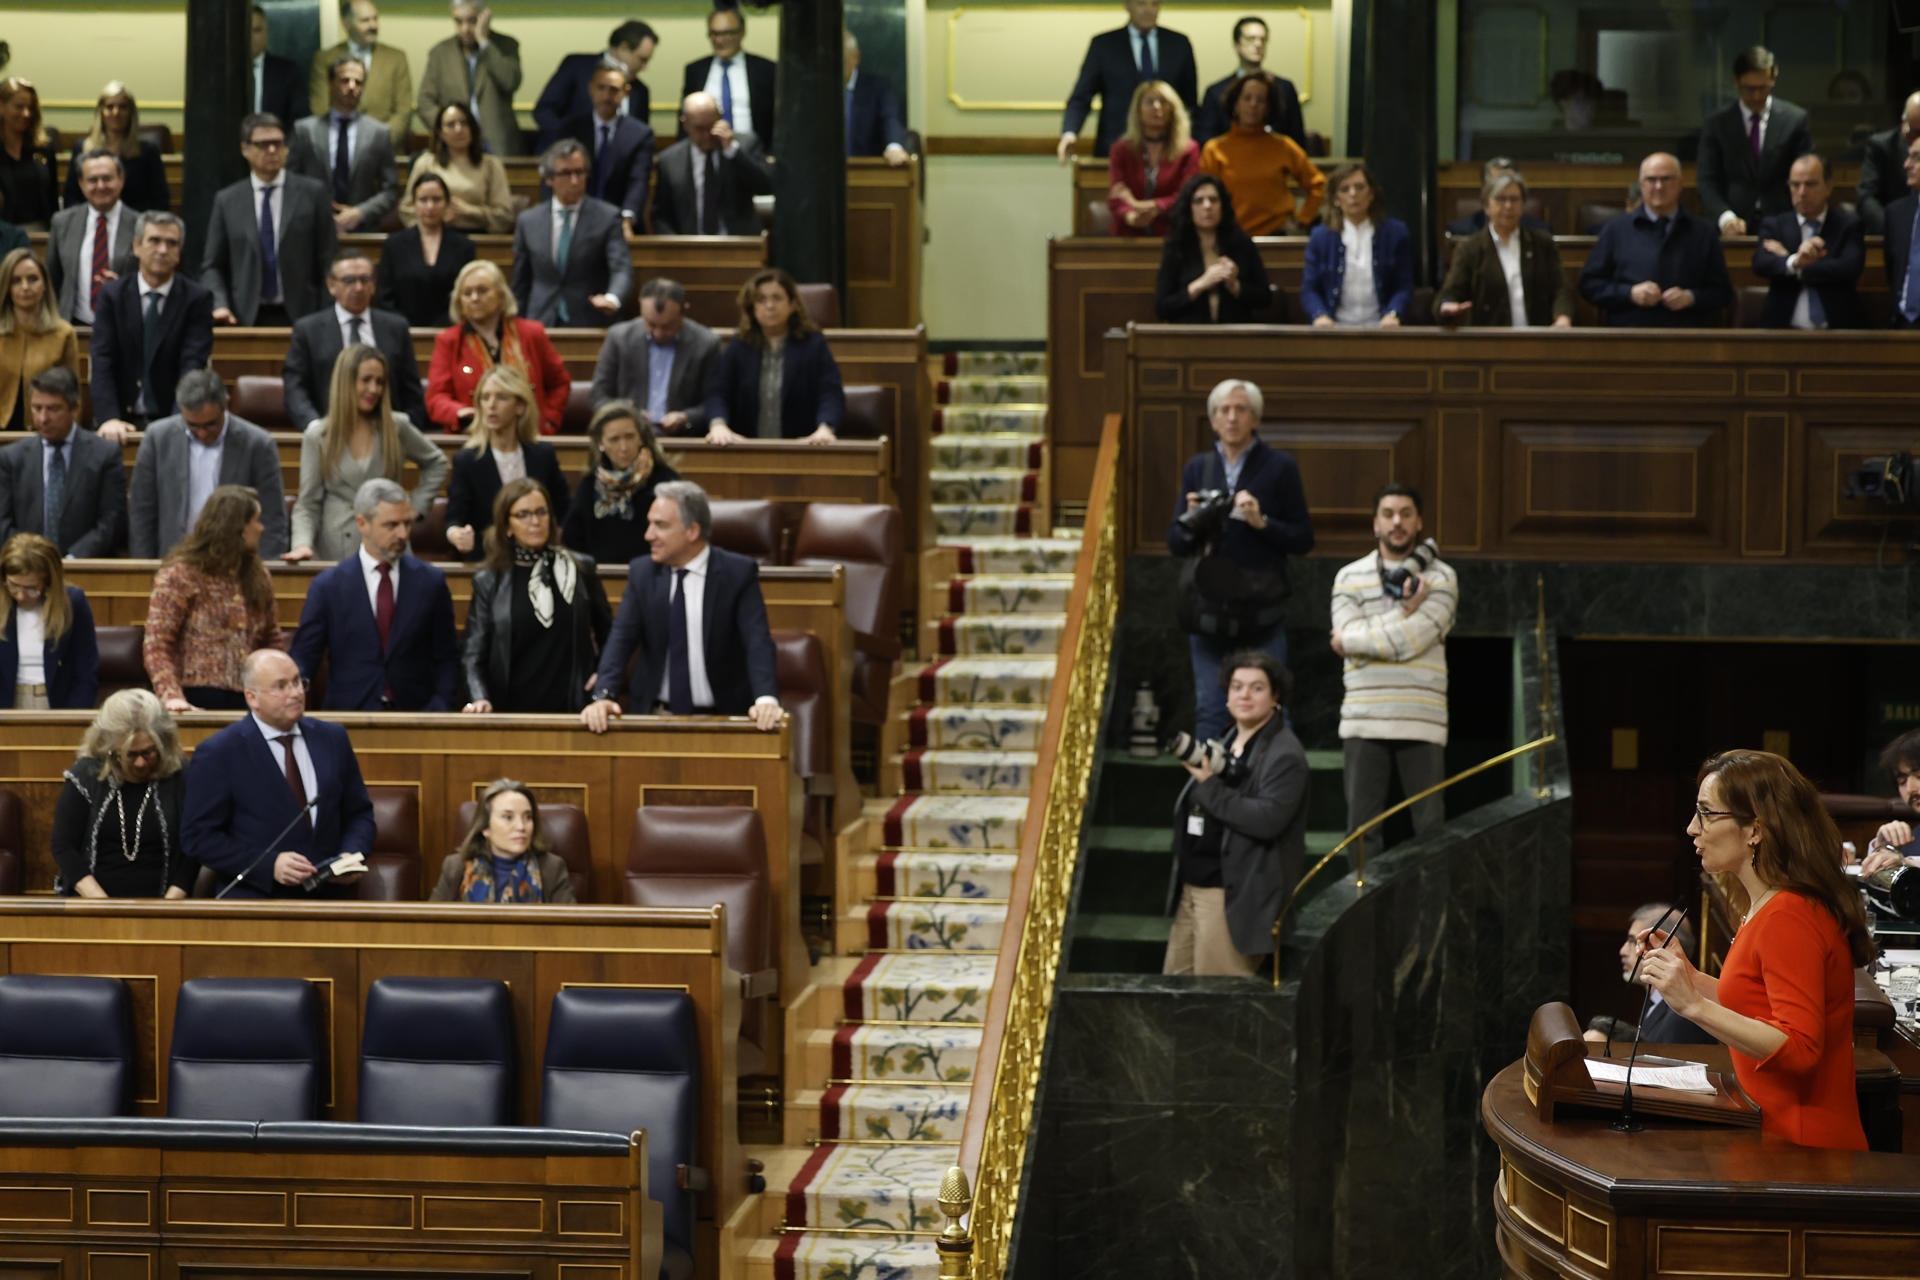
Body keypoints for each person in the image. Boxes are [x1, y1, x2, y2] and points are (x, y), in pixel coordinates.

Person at [1641, 751, 1874, 1150]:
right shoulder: (1769, 903)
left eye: (1707, 813)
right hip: (1774, 1134)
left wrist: (1694, 1007)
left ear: (1755, 829)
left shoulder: (1790, 916)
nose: (1691, 828)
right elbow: (1757, 1003)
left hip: (1803, 1151)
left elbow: (1800, 1050)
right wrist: (1693, 980)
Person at [1167, 379, 1312, 743]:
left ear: (1255, 418)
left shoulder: (1279, 466)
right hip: (1207, 612)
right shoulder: (1198, 468)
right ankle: (1209, 798)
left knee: (1271, 711)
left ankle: (1275, 795)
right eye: (1223, 410)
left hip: (1262, 613)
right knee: (1212, 711)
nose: (1232, 418)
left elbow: (1303, 539)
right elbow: (1175, 542)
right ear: (1213, 420)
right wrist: (1193, 521)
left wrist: (1262, 523)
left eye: (1240, 410)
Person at [581, 480, 782, 733]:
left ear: (692, 531)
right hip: (655, 716)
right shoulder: (642, 574)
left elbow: (758, 641)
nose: (648, 535)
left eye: (660, 526)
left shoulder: (736, 573)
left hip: (724, 718)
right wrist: (604, 696)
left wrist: (766, 700)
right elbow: (621, 639)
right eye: (649, 524)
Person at [181, 648, 375, 899]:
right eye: (281, 686)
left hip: (332, 898)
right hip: (259, 901)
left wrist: (352, 853)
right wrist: (267, 865)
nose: (296, 693)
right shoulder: (220, 752)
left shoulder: (332, 739)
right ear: (252, 698)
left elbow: (359, 814)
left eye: (297, 681)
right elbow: (198, 838)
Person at [1329, 483, 1457, 861]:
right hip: (1363, 720)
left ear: (1418, 523)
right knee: (1361, 834)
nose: (1396, 522)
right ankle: (1362, 922)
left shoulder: (1442, 577)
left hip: (1421, 718)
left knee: (1430, 833)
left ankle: (1431, 921)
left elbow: (1410, 641)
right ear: (1375, 524)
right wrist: (1403, 612)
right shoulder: (1349, 577)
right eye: (1388, 514)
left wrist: (1358, 643)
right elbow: (1361, 634)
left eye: (1405, 514)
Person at [1163, 651, 1307, 977]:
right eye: (1236, 686)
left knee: (1217, 1007)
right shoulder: (1226, 740)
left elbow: (1266, 819)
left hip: (1231, 896)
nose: (1244, 695)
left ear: (1275, 697)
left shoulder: (1285, 754)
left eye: (1256, 688)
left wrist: (1210, 786)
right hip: (1194, 888)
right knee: (1173, 1003)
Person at [290, 477, 460, 712]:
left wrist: (439, 707)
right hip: (348, 717)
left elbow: (447, 657)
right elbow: (304, 657)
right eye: (391, 525)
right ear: (362, 523)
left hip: (417, 716)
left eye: (407, 524)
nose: (403, 534)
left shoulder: (431, 582)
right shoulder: (328, 586)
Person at [461, 477, 611, 714]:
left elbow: (609, 634)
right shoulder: (489, 581)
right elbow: (473, 653)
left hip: (575, 709)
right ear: (507, 526)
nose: (535, 521)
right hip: (509, 710)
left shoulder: (580, 569)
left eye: (541, 512)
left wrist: (603, 678)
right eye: (523, 515)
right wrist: (479, 698)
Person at [286, 345, 448, 563]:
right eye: (366, 380)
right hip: (337, 549)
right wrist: (302, 544)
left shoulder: (396, 426)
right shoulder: (318, 436)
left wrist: (415, 507)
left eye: (380, 382)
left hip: (390, 546)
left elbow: (437, 462)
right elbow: (308, 503)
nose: (374, 389)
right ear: (346, 381)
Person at [143, 485, 284, 713]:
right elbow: (157, 645)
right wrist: (171, 696)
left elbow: (272, 640)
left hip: (251, 701)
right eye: (256, 521)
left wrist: (277, 690)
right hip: (194, 697)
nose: (262, 528)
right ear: (237, 526)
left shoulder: (258, 576)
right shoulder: (180, 575)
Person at [128, 369, 288, 561]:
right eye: (193, 426)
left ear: (226, 404)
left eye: (211, 424)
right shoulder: (157, 438)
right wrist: (144, 566)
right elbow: (142, 513)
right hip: (173, 562)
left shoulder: (257, 444)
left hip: (235, 564)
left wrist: (265, 572)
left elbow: (272, 517)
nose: (202, 434)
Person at [53, 690, 194, 898]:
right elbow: (63, 846)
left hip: (166, 906)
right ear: (110, 749)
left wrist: (169, 907)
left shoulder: (180, 775)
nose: (140, 763)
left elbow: (193, 850)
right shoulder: (87, 773)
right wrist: (104, 907)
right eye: (131, 754)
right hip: (94, 905)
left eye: (148, 752)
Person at [202, 113, 338, 327]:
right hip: (244, 316)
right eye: (263, 144)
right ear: (245, 149)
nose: (272, 150)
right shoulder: (227, 200)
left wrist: (325, 313)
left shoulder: (313, 193)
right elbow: (213, 266)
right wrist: (220, 304)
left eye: (277, 143)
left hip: (304, 316)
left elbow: (329, 258)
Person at [89, 211, 214, 439]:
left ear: (179, 254)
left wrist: (179, 423)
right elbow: (102, 359)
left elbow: (192, 365)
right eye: (154, 241)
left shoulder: (197, 299)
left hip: (173, 419)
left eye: (171, 243)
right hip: (119, 421)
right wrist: (109, 418)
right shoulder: (112, 296)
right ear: (137, 246)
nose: (163, 250)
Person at [1578, 153, 1732, 328]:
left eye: (1666, 179)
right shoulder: (1616, 229)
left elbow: (1723, 293)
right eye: (1651, 179)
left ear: (1681, 183)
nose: (1658, 186)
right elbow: (1589, 285)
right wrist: (1630, 293)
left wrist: (1691, 298)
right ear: (1641, 184)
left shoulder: (1703, 232)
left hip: (1688, 336)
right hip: (1628, 336)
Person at [284, 249, 429, 432]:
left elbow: (411, 391)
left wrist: (402, 428)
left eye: (365, 279)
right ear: (331, 285)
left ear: (374, 284)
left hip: (385, 433)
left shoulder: (396, 328)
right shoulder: (308, 330)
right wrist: (315, 427)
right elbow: (295, 388)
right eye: (349, 280)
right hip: (328, 431)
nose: (358, 288)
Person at [426, 258, 569, 433]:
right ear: (459, 301)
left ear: (501, 295)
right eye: (467, 293)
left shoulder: (531, 333)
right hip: (473, 437)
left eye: (482, 290)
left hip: (529, 435)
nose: (474, 298)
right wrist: (459, 413)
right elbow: (436, 397)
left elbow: (560, 383)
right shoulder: (449, 341)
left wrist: (548, 421)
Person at [444, 364, 570, 562]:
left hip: (541, 558)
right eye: (485, 398)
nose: (491, 405)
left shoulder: (543, 454)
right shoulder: (467, 460)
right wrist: (455, 534)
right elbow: (455, 518)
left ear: (520, 406)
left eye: (501, 397)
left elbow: (564, 509)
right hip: (489, 561)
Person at [706, 267, 844, 445]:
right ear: (752, 307)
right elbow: (718, 392)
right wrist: (718, 425)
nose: (769, 306)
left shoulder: (813, 345)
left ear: (793, 304)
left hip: (802, 446)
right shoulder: (740, 345)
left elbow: (830, 393)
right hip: (748, 447)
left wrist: (825, 428)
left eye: (777, 298)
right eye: (761, 299)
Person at [0, 368, 125, 558]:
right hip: (25, 567)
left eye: (53, 409)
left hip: (85, 567)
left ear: (75, 408)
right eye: (37, 408)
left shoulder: (104, 454)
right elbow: (2, 522)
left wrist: (73, 558)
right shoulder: (11, 458)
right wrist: (33, 559)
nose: (43, 418)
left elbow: (111, 521)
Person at [1057, 0, 1197, 162]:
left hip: (1168, 151)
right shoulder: (1104, 45)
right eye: (1141, 4)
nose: (1148, 10)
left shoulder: (1179, 44)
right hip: (1116, 147)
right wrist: (1070, 133)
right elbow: (1081, 97)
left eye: (1155, 4)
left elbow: (1189, 103)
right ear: (1127, 5)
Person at [511, 138, 630, 328]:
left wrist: (613, 298)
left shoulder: (607, 217)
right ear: (549, 179)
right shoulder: (528, 221)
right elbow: (520, 281)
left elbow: (621, 268)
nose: (575, 181)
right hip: (540, 319)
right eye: (566, 173)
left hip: (589, 319)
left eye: (579, 172)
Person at [1697, 46, 1811, 239]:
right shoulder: (1717, 123)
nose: (1757, 96)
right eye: (1749, 89)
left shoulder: (1795, 119)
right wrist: (1726, 218)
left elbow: (1804, 176)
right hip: (1732, 223)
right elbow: (1708, 181)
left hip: (1784, 223)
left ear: (1774, 78)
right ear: (1736, 81)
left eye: (1763, 87)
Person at [1436, 169, 1574, 328]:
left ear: (1523, 205)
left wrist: (1563, 316)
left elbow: (1561, 289)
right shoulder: (1470, 248)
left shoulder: (1542, 243)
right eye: (1501, 199)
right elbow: (1449, 294)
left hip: (1537, 337)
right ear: (1487, 206)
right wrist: (1447, 305)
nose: (1508, 206)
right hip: (1490, 341)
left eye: (1514, 199)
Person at [288, 54, 402, 235]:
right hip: (312, 227)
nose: (352, 87)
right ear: (330, 83)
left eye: (358, 82)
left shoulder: (379, 133)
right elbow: (290, 183)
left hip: (362, 229)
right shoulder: (305, 130)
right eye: (345, 80)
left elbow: (390, 191)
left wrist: (360, 213)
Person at [1197, 73, 1322, 236]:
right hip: (1229, 238)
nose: (1253, 104)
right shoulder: (1214, 149)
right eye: (1247, 98)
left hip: (1276, 237)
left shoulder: (1284, 146)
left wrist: (1302, 220)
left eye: (1261, 100)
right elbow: (1204, 196)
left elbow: (1318, 185)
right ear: (1235, 104)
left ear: (1268, 108)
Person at [592, 278, 720, 434]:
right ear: (641, 309)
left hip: (683, 441)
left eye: (667, 326)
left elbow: (715, 400)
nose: (658, 334)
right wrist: (628, 413)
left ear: (683, 311)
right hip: (629, 437)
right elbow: (598, 396)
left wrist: (687, 417)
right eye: (651, 324)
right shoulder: (618, 338)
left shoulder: (706, 343)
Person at [1751, 154, 1864, 330]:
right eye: (1795, 185)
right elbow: (1761, 263)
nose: (1802, 193)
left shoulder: (1847, 225)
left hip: (1838, 333)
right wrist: (1795, 260)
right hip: (1782, 332)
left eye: (1810, 184)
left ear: (1828, 186)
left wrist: (1792, 263)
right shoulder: (1775, 225)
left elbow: (1849, 268)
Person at [561, 400, 679, 567]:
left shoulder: (665, 482)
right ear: (601, 444)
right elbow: (572, 538)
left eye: (629, 437)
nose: (623, 447)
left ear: (641, 438)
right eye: (614, 439)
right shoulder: (590, 484)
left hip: (655, 575)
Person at [1584, 904, 1715, 1046]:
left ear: (1661, 947)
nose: (1622, 951)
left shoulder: (1682, 1016)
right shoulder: (1656, 1002)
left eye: (1633, 942)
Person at [1301, 162, 1414, 327]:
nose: (1353, 194)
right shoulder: (1320, 237)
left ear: (1371, 193)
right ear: (1335, 199)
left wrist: (1393, 313)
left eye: (1359, 187)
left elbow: (1404, 286)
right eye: (1344, 189)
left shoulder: (1396, 233)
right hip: (1335, 327)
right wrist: (1320, 315)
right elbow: (1309, 290)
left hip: (1382, 326)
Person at [430, 778, 577, 902]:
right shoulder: (456, 867)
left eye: (528, 817)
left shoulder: (551, 868)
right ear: (485, 828)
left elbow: (571, 929)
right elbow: (431, 925)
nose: (521, 826)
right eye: (508, 817)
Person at [650, 91, 773, 237]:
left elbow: (766, 186)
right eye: (700, 129)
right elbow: (661, 215)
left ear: (720, 116)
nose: (707, 135)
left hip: (739, 245)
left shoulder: (744, 145)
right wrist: (676, 247)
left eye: (711, 126)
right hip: (689, 246)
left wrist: (732, 151)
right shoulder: (668, 161)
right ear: (685, 124)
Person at [1154, 174, 1270, 323]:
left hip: (1236, 337)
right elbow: (1162, 307)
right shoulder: (1176, 246)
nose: (1207, 206)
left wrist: (1235, 285)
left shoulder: (1242, 243)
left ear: (1223, 205)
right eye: (1198, 201)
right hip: (1189, 338)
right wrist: (1200, 284)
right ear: (1189, 208)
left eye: (1213, 200)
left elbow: (1265, 299)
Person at [0, 531, 97, 709]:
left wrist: (70, 721)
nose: (20, 596)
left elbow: (85, 673)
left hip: (56, 705)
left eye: (31, 588)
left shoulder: (73, 603)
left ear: (48, 581)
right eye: (13, 585)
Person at [417, 1, 524, 156]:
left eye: (472, 21)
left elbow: (510, 82)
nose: (465, 29)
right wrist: (448, 128)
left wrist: (484, 41)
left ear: (484, 18)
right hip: (453, 148)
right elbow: (424, 102)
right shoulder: (440, 53)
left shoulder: (506, 46)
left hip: (497, 145)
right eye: (459, 21)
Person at [48, 150, 140, 327]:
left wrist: (123, 288)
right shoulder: (62, 222)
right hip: (73, 325)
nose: (100, 186)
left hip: (125, 326)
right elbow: (53, 279)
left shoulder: (140, 225)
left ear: (121, 179)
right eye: (92, 180)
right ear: (81, 184)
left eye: (107, 178)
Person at [534, 20, 658, 152]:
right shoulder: (577, 66)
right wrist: (569, 145)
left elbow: (640, 136)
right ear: (623, 48)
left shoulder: (640, 91)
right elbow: (544, 111)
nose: (644, 67)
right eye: (642, 59)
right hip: (565, 161)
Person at [560, 64, 655, 234]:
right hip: (576, 217)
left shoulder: (640, 134)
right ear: (591, 89)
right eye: (601, 88)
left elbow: (638, 180)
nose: (606, 96)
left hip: (619, 219)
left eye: (613, 90)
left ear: (626, 92)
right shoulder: (571, 129)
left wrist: (627, 219)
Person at [308, 0, 414, 146]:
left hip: (384, 149)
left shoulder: (396, 58)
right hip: (336, 147)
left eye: (375, 18)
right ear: (347, 24)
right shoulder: (325, 59)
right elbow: (320, 108)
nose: (373, 25)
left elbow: (403, 111)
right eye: (365, 20)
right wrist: (344, 142)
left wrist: (380, 143)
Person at [378, 172, 477, 327]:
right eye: (423, 200)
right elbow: (384, 296)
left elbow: (466, 293)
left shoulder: (464, 246)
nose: (430, 206)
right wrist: (403, 326)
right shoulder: (394, 244)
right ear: (413, 204)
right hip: (402, 330)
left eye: (437, 199)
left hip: (451, 329)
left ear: (447, 203)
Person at [399, 103, 513, 233]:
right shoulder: (425, 163)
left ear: (473, 128)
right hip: (433, 236)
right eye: (451, 125)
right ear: (440, 132)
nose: (458, 129)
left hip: (478, 237)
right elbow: (406, 210)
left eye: (464, 123)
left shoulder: (491, 164)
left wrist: (471, 211)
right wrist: (435, 216)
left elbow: (505, 216)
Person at [0, 248, 79, 433]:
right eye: (16, 281)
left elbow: (74, 397)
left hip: (45, 434)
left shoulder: (63, 334)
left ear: (45, 284)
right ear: (6, 287)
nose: (25, 287)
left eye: (33, 279)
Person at [1193, 17, 1304, 148]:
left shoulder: (1285, 88)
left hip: (1276, 161)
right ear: (1237, 45)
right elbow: (1206, 139)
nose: (1258, 44)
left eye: (1262, 39)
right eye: (1251, 39)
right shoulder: (1216, 92)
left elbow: (1297, 140)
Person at [1108, 80, 1199, 237]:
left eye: (1163, 102)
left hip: (1173, 234)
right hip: (1128, 233)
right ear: (1138, 111)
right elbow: (1117, 195)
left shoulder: (1188, 149)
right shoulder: (1121, 149)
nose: (1157, 107)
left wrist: (1144, 205)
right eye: (1149, 102)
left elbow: (1186, 196)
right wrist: (1131, 216)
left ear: (1173, 109)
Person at [60, 84, 168, 214]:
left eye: (122, 107)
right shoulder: (82, 148)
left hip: (135, 226)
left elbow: (159, 200)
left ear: (131, 112)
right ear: (101, 111)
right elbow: (71, 197)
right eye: (110, 107)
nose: (116, 113)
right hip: (90, 225)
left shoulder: (147, 151)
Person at [681, 7, 778, 150]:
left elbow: (776, 120)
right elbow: (686, 118)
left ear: (742, 32)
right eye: (714, 33)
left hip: (752, 155)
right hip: (708, 154)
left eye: (727, 33)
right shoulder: (695, 70)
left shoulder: (766, 70)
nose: (720, 40)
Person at [1855, 91, 1920, 235]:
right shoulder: (1882, 146)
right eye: (1915, 132)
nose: (1918, 140)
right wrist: (1895, 230)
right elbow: (1866, 196)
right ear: (1904, 123)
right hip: (1890, 231)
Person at [1858, 728, 1920, 876]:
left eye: (1918, 775)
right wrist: (1882, 847)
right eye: (1902, 781)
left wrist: (1907, 863)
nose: (1910, 789)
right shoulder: (1913, 837)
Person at [1442, 158, 1551, 238]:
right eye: (1500, 196)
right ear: (1485, 193)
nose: (1508, 205)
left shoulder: (1541, 233)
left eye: (1513, 198)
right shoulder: (1459, 233)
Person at [844, 32, 909, 166]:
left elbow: (890, 119)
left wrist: (893, 147)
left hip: (868, 171)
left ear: (856, 57)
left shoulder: (878, 88)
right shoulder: (818, 90)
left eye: (842, 59)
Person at [0, 78, 56, 230]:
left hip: (41, 230)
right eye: (19, 107)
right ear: (1, 107)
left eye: (30, 108)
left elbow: (52, 199)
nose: (26, 114)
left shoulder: (44, 148)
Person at [251, 3, 309, 126]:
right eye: (245, 30)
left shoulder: (288, 72)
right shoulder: (223, 74)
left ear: (266, 33)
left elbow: (300, 120)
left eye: (256, 30)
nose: (250, 37)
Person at [1886, 136, 1920, 328]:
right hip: (1903, 322)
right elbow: (1893, 270)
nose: (1907, 164)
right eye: (1908, 157)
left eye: (1916, 158)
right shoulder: (1896, 213)